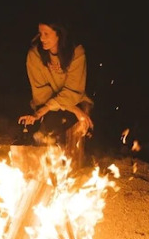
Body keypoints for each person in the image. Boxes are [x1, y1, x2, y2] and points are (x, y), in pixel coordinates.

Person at [17, 20, 93, 167]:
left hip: (76, 101)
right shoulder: (35, 55)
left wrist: (78, 110)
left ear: (60, 35)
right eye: (40, 33)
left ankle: (76, 168)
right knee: (49, 131)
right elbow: (41, 95)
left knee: (83, 127)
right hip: (48, 106)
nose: (42, 38)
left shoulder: (77, 53)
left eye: (47, 34)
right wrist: (74, 110)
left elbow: (73, 92)